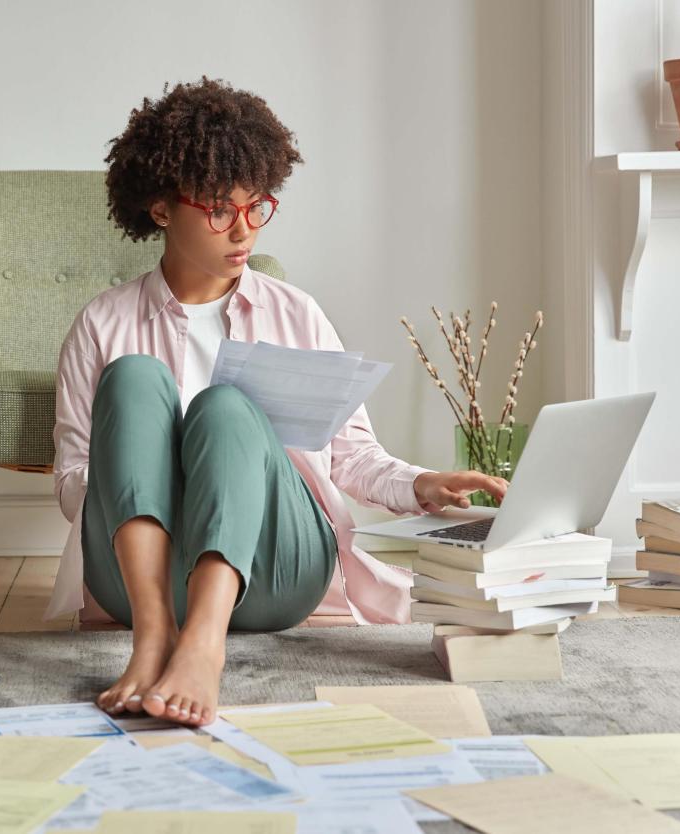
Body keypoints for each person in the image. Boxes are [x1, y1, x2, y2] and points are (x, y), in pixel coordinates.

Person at [49, 77, 506, 728]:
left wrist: (424, 483)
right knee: (131, 376)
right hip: (138, 576)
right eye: (217, 209)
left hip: (274, 568)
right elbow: (73, 481)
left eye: (255, 207)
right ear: (158, 209)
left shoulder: (294, 312)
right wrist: (146, 476)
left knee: (226, 407)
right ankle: (151, 639)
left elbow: (349, 456)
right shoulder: (101, 323)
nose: (242, 231)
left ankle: (202, 646)